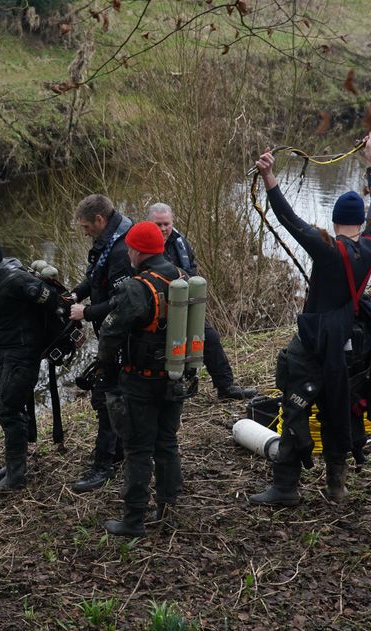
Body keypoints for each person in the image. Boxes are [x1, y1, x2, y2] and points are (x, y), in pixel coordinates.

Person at [249, 133, 371, 506]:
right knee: (340, 406)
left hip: (315, 342)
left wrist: (268, 178)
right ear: (360, 221)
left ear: (334, 220)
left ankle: (285, 488)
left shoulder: (327, 249)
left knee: (295, 406)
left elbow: (289, 220)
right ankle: (336, 485)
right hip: (352, 343)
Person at [95, 221, 188, 537]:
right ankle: (168, 507)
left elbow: (110, 335)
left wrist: (104, 371)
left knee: (137, 448)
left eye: (130, 249)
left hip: (141, 380)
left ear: (135, 251)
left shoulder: (135, 288)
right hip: (175, 377)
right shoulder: (181, 277)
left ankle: (133, 520)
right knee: (167, 441)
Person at [0, 235, 63, 491]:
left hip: (22, 354)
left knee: (8, 410)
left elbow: (52, 300)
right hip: (7, 353)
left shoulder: (18, 279)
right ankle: (12, 466)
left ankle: (16, 475)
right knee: (9, 407)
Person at [146, 203, 256, 400]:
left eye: (166, 224)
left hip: (185, 304)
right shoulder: (142, 244)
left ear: (172, 222)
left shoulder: (181, 243)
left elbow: (192, 270)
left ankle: (226, 387)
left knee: (210, 338)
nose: (162, 229)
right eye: (157, 224)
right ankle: (164, 390)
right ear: (149, 223)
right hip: (155, 310)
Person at [68, 194, 133, 493]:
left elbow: (121, 302)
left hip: (122, 335)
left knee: (108, 398)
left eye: (86, 227)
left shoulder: (121, 249)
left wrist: (87, 312)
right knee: (109, 395)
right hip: (110, 333)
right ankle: (118, 451)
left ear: (100, 220)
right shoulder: (107, 241)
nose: (84, 233)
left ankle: (103, 466)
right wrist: (76, 294)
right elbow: (96, 279)